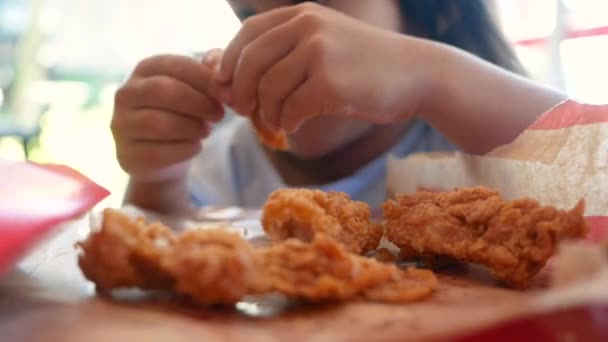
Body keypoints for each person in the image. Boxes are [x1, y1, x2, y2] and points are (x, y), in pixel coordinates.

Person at [111, 0, 566, 214]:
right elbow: (159, 258)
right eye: (251, 20)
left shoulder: (482, 142)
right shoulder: (223, 160)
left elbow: (595, 162)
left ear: (433, 13)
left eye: (316, 11)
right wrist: (158, 179)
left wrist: (433, 74)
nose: (279, 48)